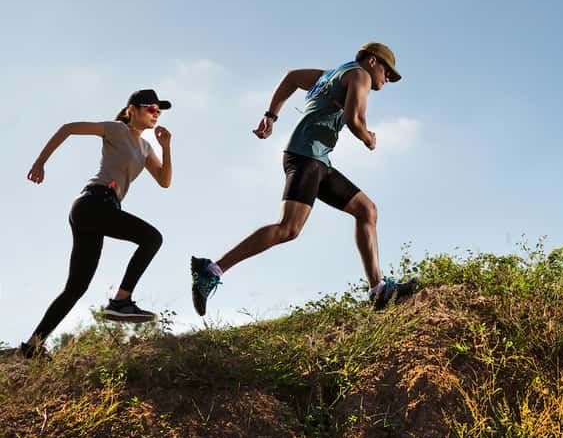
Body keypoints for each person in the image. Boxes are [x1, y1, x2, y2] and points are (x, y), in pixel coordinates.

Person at [190, 42, 417, 315]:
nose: (387, 79)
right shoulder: (360, 75)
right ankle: (211, 270)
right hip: (305, 157)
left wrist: (271, 115)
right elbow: (354, 118)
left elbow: (291, 78)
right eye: (387, 72)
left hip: (317, 160)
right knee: (289, 228)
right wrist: (368, 138)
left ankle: (378, 289)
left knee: (366, 210)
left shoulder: (328, 74)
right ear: (372, 61)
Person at [18, 89, 173, 359]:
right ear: (132, 110)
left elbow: (164, 180)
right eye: (150, 108)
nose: (155, 114)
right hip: (93, 203)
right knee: (152, 238)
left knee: (76, 288)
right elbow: (67, 128)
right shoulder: (115, 129)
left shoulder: (145, 147)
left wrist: (166, 147)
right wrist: (40, 163)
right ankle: (121, 300)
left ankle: (32, 346)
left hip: (99, 211)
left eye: (159, 110)